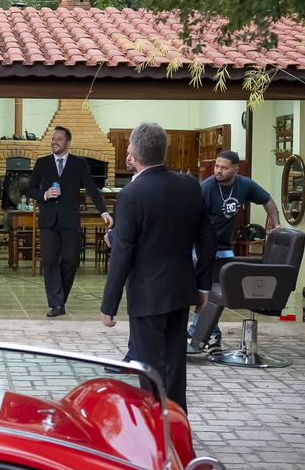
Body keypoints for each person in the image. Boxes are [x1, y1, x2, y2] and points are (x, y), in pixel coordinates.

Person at [100, 122, 215, 413]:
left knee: (150, 371)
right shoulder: (190, 185)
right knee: (175, 368)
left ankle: (155, 428)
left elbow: (123, 252)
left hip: (146, 294)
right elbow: (207, 238)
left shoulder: (130, 194)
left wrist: (109, 304)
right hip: (180, 290)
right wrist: (203, 285)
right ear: (164, 151)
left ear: (134, 152)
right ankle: (177, 425)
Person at [189, 150, 282, 351]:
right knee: (206, 286)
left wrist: (276, 225)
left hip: (225, 247)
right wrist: (202, 248)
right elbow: (192, 219)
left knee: (219, 287)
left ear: (236, 169)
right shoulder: (206, 188)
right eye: (216, 166)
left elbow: (267, 200)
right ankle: (208, 333)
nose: (218, 171)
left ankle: (202, 331)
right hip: (203, 246)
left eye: (224, 168)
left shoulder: (244, 184)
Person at [26, 126, 113, 317]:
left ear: (68, 143)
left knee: (71, 260)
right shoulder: (42, 163)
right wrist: (44, 194)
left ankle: (60, 299)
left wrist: (104, 211)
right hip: (48, 220)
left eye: (59, 139)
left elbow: (91, 188)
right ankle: (56, 303)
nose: (54, 142)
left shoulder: (79, 164)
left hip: (70, 220)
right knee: (50, 261)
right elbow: (30, 189)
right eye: (53, 139)